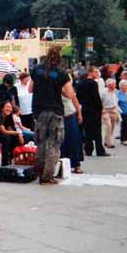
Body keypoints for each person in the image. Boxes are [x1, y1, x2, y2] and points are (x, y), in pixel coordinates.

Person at [29, 45, 75, 185]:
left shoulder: (36, 69)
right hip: (55, 111)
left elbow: (30, 89)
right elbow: (70, 94)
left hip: (39, 110)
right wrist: (59, 89)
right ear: (60, 57)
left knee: (41, 142)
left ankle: (39, 172)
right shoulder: (61, 72)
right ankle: (47, 176)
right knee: (53, 143)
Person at [76, 66, 110, 157]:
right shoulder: (93, 83)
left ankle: (88, 149)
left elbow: (78, 96)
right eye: (95, 72)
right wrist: (100, 108)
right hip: (94, 110)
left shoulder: (80, 83)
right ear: (90, 72)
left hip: (84, 108)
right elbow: (96, 98)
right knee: (97, 131)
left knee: (87, 130)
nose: (97, 74)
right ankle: (100, 150)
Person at [61, 93, 84, 174]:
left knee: (73, 140)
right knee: (61, 142)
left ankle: (76, 164)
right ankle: (62, 165)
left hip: (70, 115)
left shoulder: (67, 87)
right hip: (59, 116)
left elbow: (74, 99)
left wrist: (79, 113)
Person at [101, 78, 119, 148]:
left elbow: (117, 100)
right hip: (105, 110)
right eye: (112, 84)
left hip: (114, 110)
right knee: (108, 125)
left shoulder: (115, 91)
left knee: (112, 126)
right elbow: (100, 101)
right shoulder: (103, 92)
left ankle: (107, 140)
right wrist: (102, 110)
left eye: (114, 84)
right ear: (108, 85)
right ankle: (109, 143)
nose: (114, 86)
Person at [117, 80, 127, 146]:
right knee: (124, 125)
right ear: (120, 87)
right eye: (123, 86)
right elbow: (118, 101)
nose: (125, 88)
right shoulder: (118, 93)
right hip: (123, 112)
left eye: (126, 86)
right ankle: (124, 139)